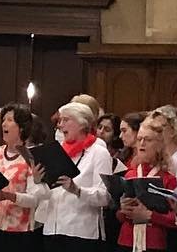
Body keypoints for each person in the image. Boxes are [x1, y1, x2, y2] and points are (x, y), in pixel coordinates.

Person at [21, 101, 111, 248]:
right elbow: (45, 195)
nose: (60, 125)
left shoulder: (99, 153)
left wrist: (77, 190)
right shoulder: (57, 151)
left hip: (81, 232)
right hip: (52, 229)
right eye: (60, 120)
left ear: (82, 123)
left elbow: (105, 197)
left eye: (66, 120)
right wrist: (39, 181)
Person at [0, 103, 39, 245]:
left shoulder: (32, 157)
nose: (4, 124)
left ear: (22, 127)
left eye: (10, 120)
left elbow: (34, 199)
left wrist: (8, 196)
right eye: (3, 120)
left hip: (17, 229)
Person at [116, 121, 177, 252]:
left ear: (159, 145)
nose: (142, 143)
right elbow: (119, 217)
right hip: (126, 241)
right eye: (139, 139)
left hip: (153, 244)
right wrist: (123, 209)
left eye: (148, 139)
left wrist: (150, 215)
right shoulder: (130, 174)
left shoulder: (168, 179)